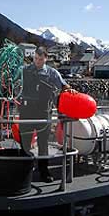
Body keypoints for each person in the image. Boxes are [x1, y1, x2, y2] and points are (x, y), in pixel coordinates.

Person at [19, 46, 77, 183]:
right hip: (26, 111)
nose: (37, 61)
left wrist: (71, 91)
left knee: (43, 144)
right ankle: (24, 170)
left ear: (45, 58)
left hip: (43, 112)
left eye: (40, 59)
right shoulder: (24, 70)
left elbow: (64, 86)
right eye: (35, 58)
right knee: (25, 143)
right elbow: (12, 81)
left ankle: (44, 171)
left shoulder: (52, 73)